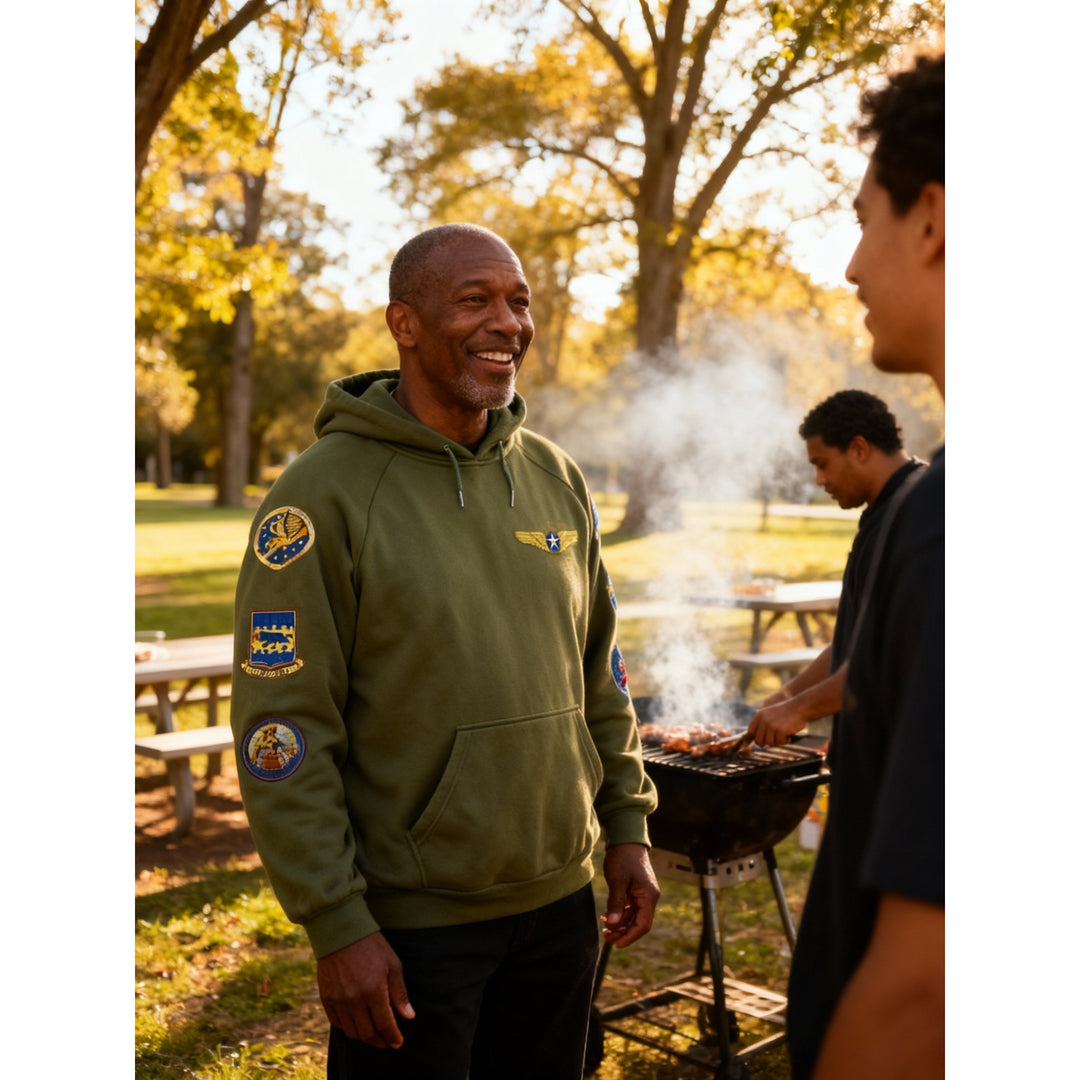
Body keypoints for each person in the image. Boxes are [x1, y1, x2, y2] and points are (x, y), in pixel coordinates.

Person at [230, 223, 660, 1080]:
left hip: (561, 906)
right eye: (475, 300)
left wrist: (627, 827)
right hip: (409, 931)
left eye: (519, 302)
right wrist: (337, 924)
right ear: (405, 324)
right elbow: (285, 731)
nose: (509, 323)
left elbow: (599, 676)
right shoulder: (320, 494)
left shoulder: (556, 477)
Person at [784, 53, 945, 1080]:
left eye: (861, 220)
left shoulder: (948, 523)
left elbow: (930, 993)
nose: (849, 266)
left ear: (932, 220)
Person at [746, 390, 923, 748]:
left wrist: (799, 708)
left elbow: (891, 655)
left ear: (858, 449)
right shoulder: (882, 513)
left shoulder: (918, 517)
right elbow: (853, 642)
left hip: (903, 755)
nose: (818, 479)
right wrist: (787, 695)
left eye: (823, 463)